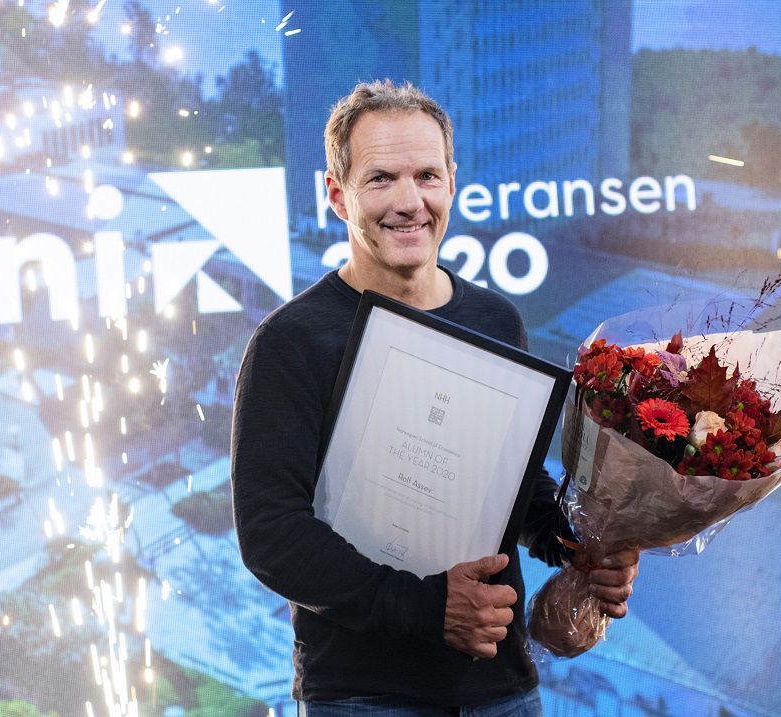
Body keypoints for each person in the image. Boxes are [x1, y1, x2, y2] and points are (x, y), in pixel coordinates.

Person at [231, 81, 638, 716]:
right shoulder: (289, 342)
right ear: (337, 195)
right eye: (380, 179)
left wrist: (577, 542)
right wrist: (425, 607)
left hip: (500, 689)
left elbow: (512, 489)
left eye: (426, 175)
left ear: (452, 182)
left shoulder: (497, 320)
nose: (408, 201)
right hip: (363, 698)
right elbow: (271, 535)